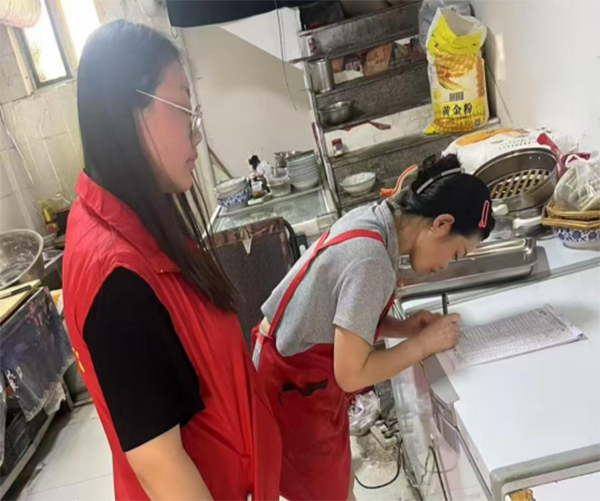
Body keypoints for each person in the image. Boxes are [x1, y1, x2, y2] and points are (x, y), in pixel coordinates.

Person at [63, 21, 281, 501]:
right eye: (184, 109)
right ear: (129, 111)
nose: (197, 134)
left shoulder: (139, 222)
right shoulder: (116, 277)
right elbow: (160, 466)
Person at [252, 154, 495, 501]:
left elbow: (343, 316)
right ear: (441, 224)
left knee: (336, 485)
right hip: (293, 387)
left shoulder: (376, 219)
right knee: (322, 492)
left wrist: (404, 328)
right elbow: (352, 375)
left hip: (299, 373)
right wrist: (424, 343)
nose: (445, 266)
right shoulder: (371, 258)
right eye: (455, 254)